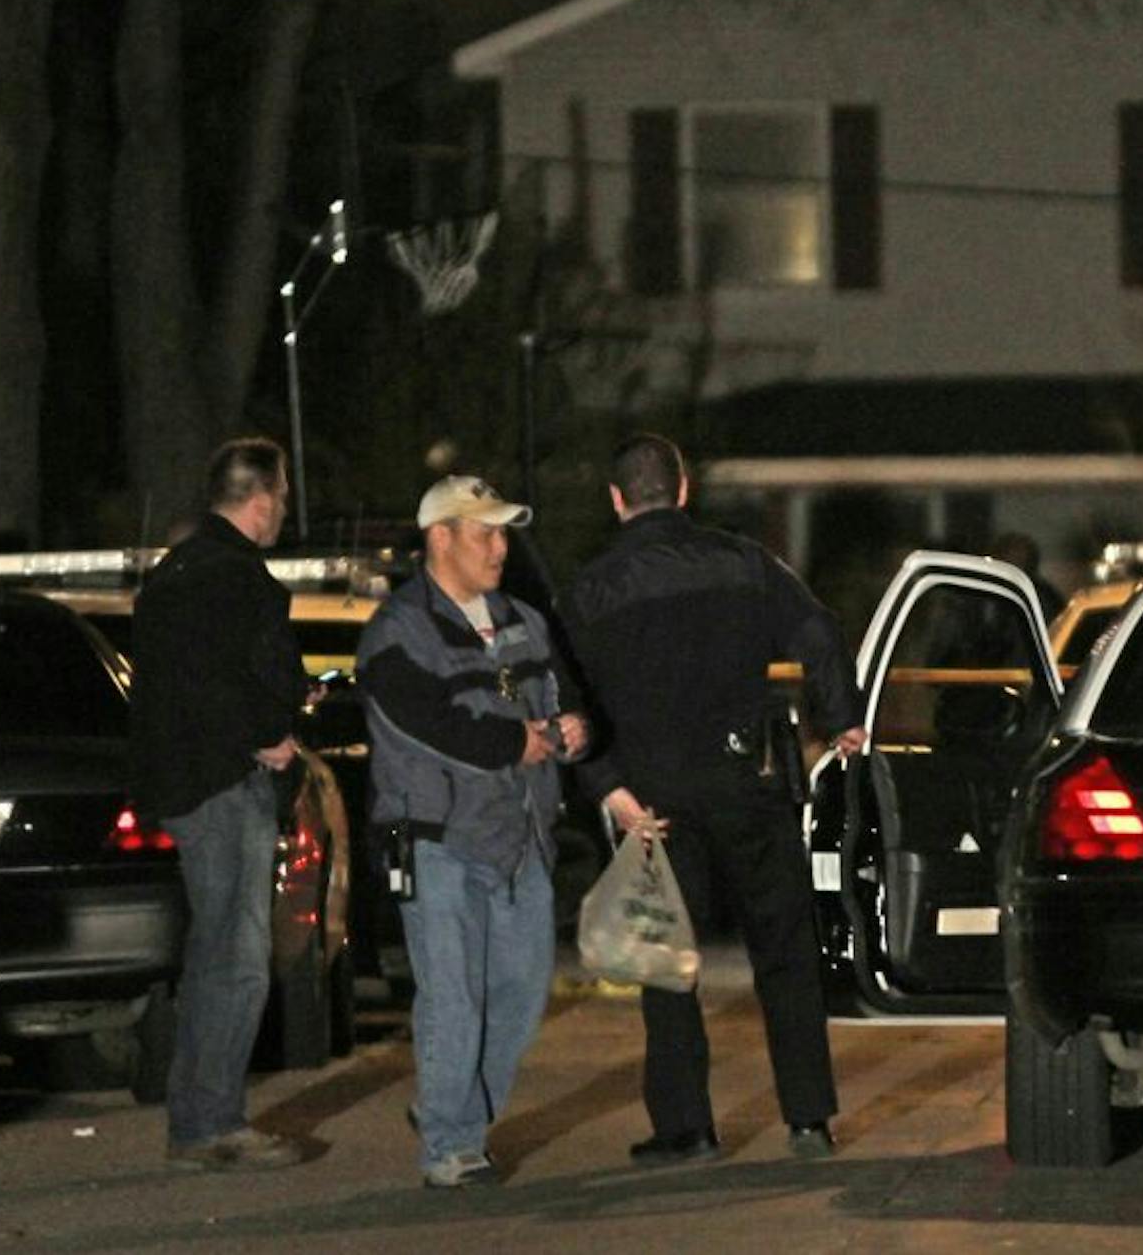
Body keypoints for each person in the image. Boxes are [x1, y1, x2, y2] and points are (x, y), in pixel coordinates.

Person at [559, 433, 864, 1166]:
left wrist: (609, 786)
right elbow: (818, 629)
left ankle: (688, 1128)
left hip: (653, 799)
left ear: (617, 499)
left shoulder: (588, 590)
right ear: (684, 490)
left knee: (668, 962)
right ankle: (808, 1118)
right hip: (748, 780)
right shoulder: (744, 562)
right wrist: (841, 716)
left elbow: (564, 703)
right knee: (785, 953)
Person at [356, 475, 588, 1189]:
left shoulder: (523, 618)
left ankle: (445, 1107)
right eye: (484, 531)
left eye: (503, 531)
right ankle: (453, 1145)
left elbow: (564, 702)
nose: (500, 545)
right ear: (440, 537)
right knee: (453, 992)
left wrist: (574, 731)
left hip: (521, 837)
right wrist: (514, 743)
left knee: (520, 989)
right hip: (438, 838)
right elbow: (425, 719)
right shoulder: (397, 629)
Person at [131, 438, 307, 1172]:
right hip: (224, 784)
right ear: (261, 497)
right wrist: (271, 734)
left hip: (180, 782)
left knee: (213, 951)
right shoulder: (237, 578)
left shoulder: (173, 574)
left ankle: (198, 1115)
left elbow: (179, 682)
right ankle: (212, 1121)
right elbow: (235, 681)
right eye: (283, 496)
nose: (283, 511)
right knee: (238, 956)